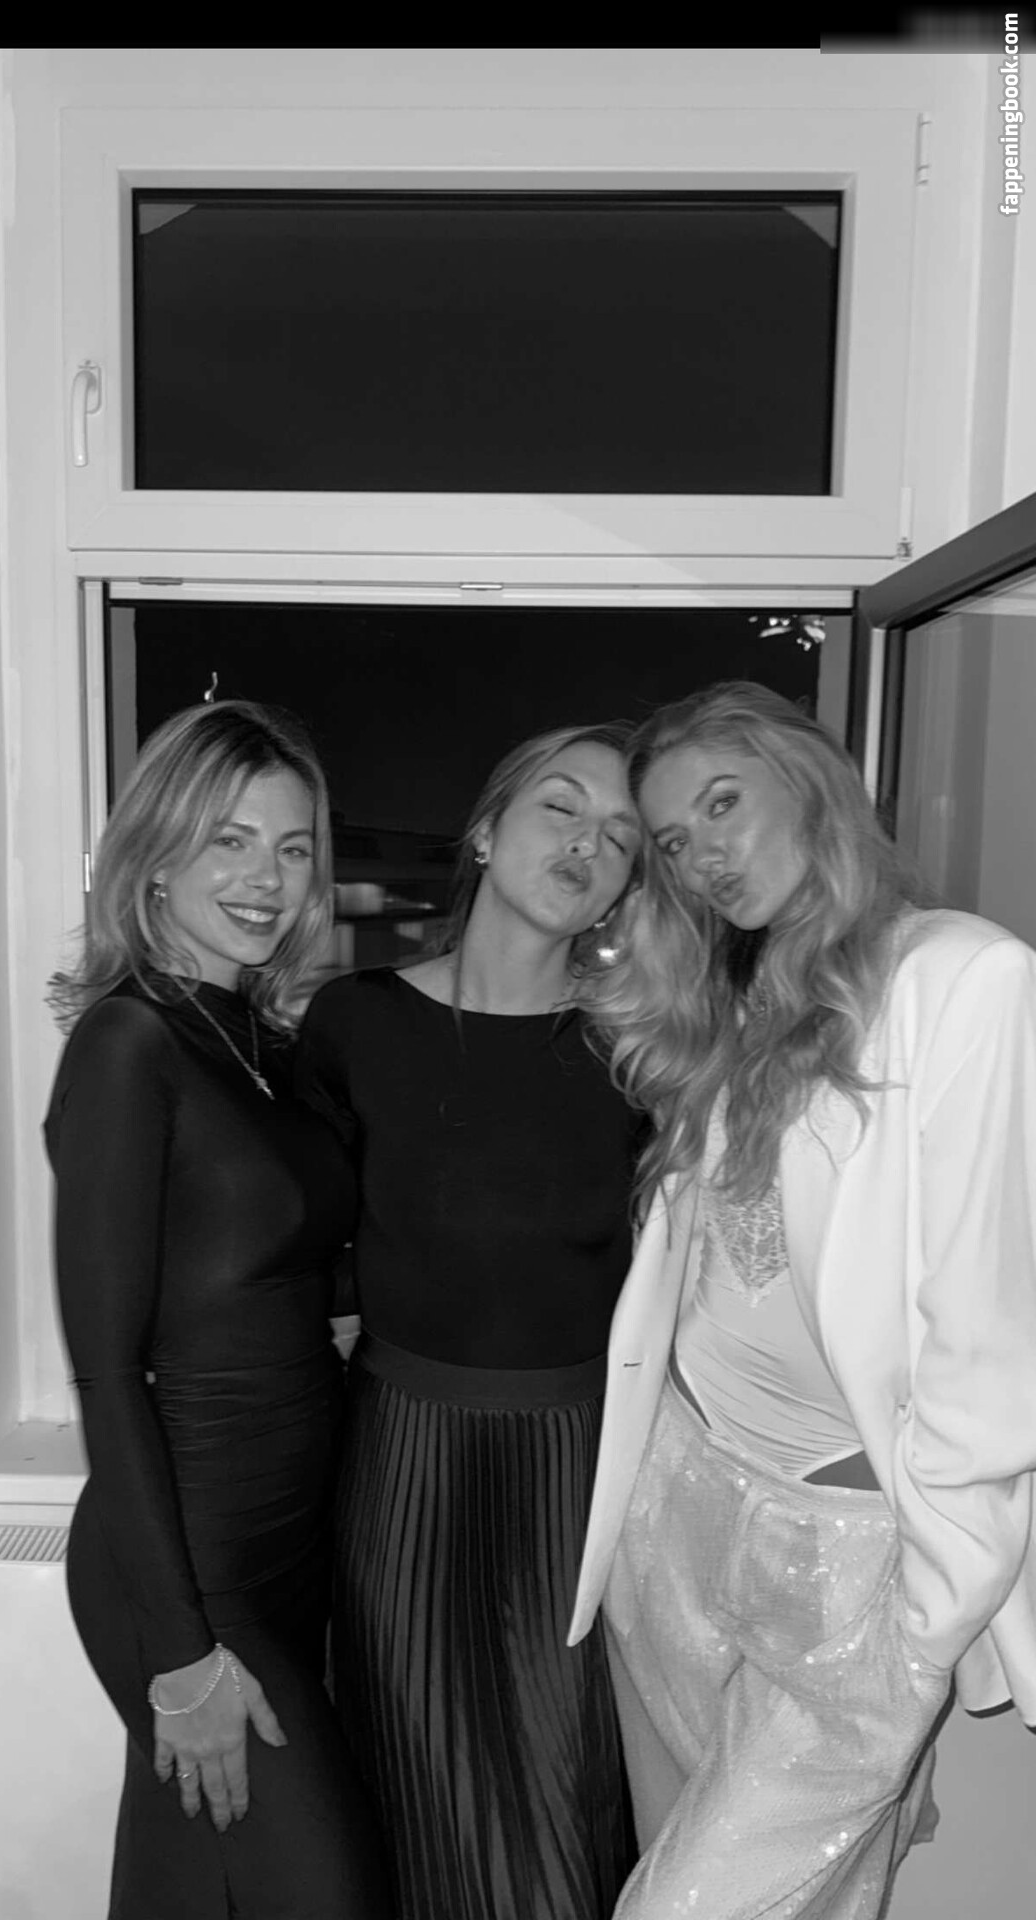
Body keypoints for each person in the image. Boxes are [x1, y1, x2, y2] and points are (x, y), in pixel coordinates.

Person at [570, 680, 1036, 1920]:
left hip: (844, 1551)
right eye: (674, 841)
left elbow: (990, 1330)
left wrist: (930, 1619)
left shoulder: (965, 978)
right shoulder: (738, 994)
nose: (702, 858)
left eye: (723, 804)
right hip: (677, 1505)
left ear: (810, 781)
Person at [44, 699, 392, 1920]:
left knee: (193, 1885)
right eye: (229, 840)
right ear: (157, 855)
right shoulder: (127, 1045)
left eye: (293, 848)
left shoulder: (263, 1047)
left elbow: (288, 1273)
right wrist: (181, 1650)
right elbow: (105, 1368)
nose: (266, 879)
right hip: (185, 1566)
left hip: (290, 1553)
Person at [295, 723, 645, 1920]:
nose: (588, 842)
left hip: (577, 1471)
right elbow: (299, 1247)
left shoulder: (639, 1051)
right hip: (401, 1462)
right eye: (562, 808)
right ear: (487, 834)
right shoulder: (352, 1022)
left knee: (561, 1805)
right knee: (415, 1795)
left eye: (620, 835)